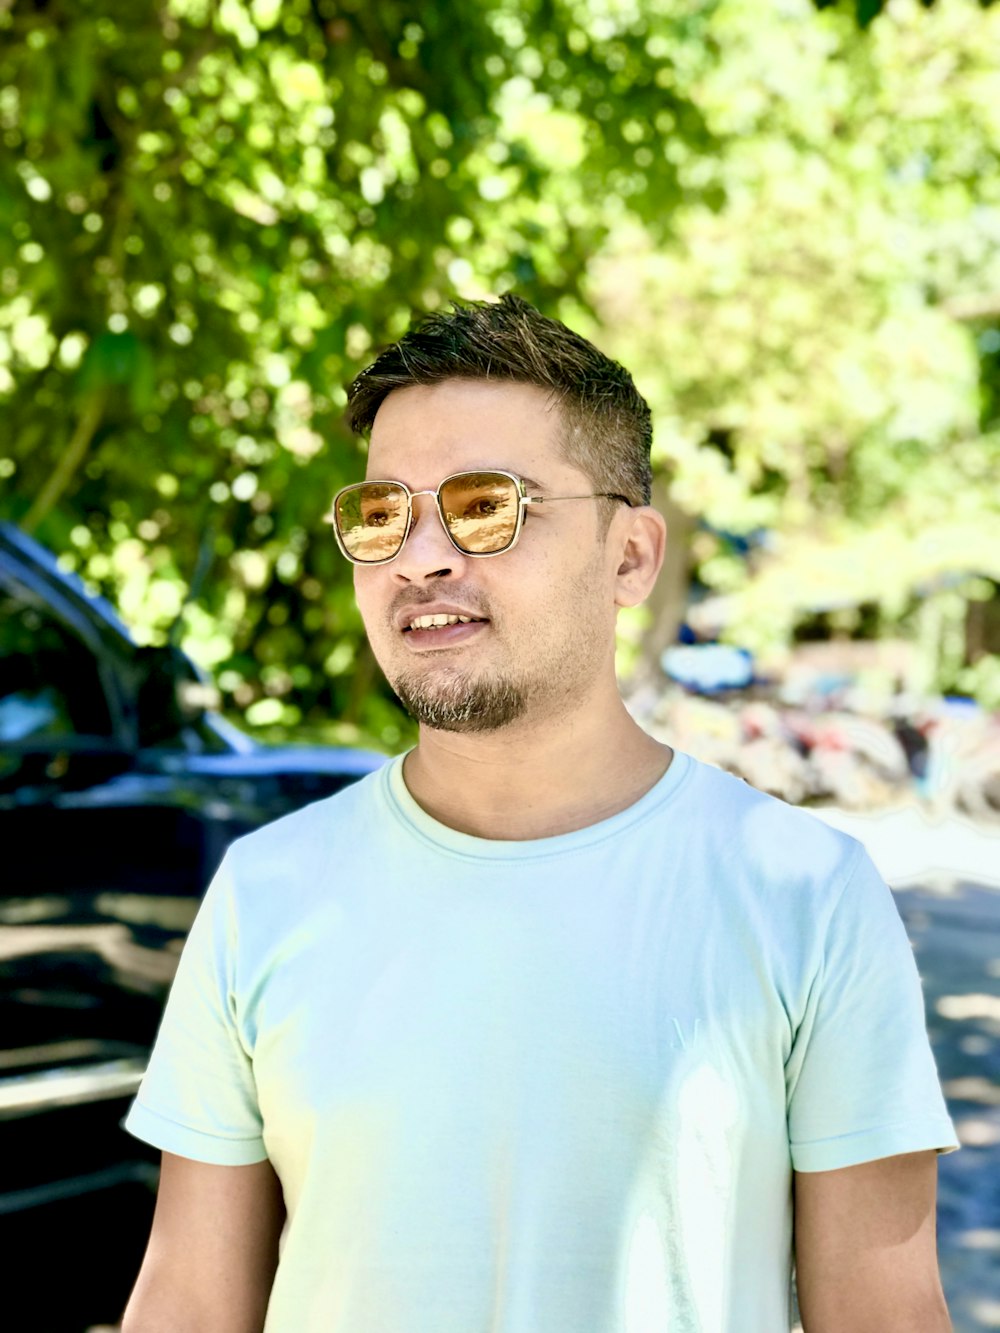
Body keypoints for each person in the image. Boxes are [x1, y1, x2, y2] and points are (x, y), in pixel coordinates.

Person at [121, 295, 957, 1332]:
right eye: (382, 513)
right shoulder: (267, 890)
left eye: (486, 506)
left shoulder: (803, 894)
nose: (419, 558)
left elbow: (885, 1318)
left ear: (631, 557)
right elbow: (190, 1309)